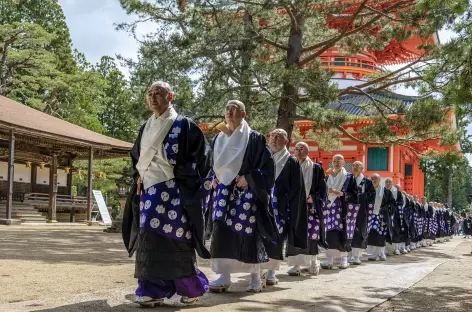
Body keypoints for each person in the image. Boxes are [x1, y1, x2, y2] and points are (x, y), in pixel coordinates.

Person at [122, 81, 212, 307]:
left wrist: (194, 184)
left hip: (175, 192)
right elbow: (137, 158)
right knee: (149, 238)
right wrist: (140, 177)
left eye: (158, 93)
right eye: (150, 94)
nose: (153, 97)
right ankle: (152, 290)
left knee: (176, 238)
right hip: (149, 190)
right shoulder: (145, 127)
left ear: (170, 96)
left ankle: (191, 288)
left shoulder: (185, 125)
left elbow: (203, 160)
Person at [209, 100, 278, 293]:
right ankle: (224, 276)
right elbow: (210, 164)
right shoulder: (218, 139)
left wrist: (250, 177)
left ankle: (255, 276)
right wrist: (212, 178)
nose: (230, 112)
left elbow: (267, 168)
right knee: (221, 233)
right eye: (227, 109)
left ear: (243, 114)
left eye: (235, 109)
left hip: (246, 193)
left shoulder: (254, 138)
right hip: (223, 193)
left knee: (248, 233)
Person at [259, 129, 307, 285]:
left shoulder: (292, 162)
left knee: (276, 239)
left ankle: (272, 271)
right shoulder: (263, 157)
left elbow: (297, 189)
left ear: (286, 141)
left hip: (280, 208)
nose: (273, 139)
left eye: (278, 137)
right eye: (272, 136)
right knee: (259, 236)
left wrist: (291, 210)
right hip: (261, 204)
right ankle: (259, 268)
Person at [286, 142, 327, 275]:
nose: (298, 150)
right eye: (296, 148)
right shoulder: (290, 165)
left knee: (312, 234)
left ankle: (313, 261)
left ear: (308, 151)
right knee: (294, 233)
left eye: (301, 148)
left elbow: (322, 189)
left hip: (310, 207)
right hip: (294, 206)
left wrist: (314, 198)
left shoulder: (316, 168)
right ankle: (295, 265)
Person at [321, 154, 359, 269]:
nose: (336, 163)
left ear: (343, 163)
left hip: (342, 208)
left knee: (342, 232)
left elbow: (354, 194)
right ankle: (329, 260)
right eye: (334, 161)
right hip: (329, 208)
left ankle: (344, 259)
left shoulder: (348, 177)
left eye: (338, 161)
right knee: (329, 233)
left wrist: (342, 193)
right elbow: (322, 191)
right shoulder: (328, 176)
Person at [348, 161, 375, 265]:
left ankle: (356, 256)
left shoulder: (367, 182)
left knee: (359, 231)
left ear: (362, 168)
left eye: (357, 166)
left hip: (361, 210)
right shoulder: (348, 179)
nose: (354, 167)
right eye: (353, 165)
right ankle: (349, 254)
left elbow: (372, 196)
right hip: (349, 209)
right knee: (349, 230)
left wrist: (361, 197)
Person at [367, 174, 396, 261]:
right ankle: (374, 254)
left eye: (375, 178)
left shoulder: (386, 191)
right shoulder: (369, 190)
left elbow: (392, 204)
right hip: (371, 216)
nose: (374, 180)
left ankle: (381, 252)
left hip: (382, 216)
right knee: (372, 234)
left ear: (379, 179)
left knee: (381, 234)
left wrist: (384, 209)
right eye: (372, 179)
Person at [385, 179, 404, 255]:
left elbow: (401, 202)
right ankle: (387, 249)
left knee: (396, 230)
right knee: (386, 231)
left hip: (395, 214)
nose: (388, 183)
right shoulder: (383, 191)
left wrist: (393, 204)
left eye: (389, 182)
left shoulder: (398, 192)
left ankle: (396, 248)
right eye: (387, 182)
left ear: (392, 183)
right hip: (386, 213)